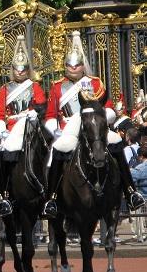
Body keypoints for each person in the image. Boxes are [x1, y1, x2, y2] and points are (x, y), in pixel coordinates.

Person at [43, 31, 146, 217]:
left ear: (83, 65)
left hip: (94, 127)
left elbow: (108, 108)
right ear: (65, 66)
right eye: (69, 65)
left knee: (115, 143)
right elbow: (51, 114)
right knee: (56, 150)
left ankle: (130, 192)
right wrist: (55, 129)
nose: (73, 68)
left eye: (77, 65)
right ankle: (52, 198)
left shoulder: (95, 83)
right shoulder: (57, 87)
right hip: (69, 128)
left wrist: (102, 117)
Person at [0, 35, 47, 216]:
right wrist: (1, 130)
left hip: (30, 125)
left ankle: (49, 192)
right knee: (1, 154)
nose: (20, 72)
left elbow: (41, 105)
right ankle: (4, 193)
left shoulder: (35, 87)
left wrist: (34, 113)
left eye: (23, 69)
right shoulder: (5, 89)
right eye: (17, 69)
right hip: (11, 128)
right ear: (12, 69)